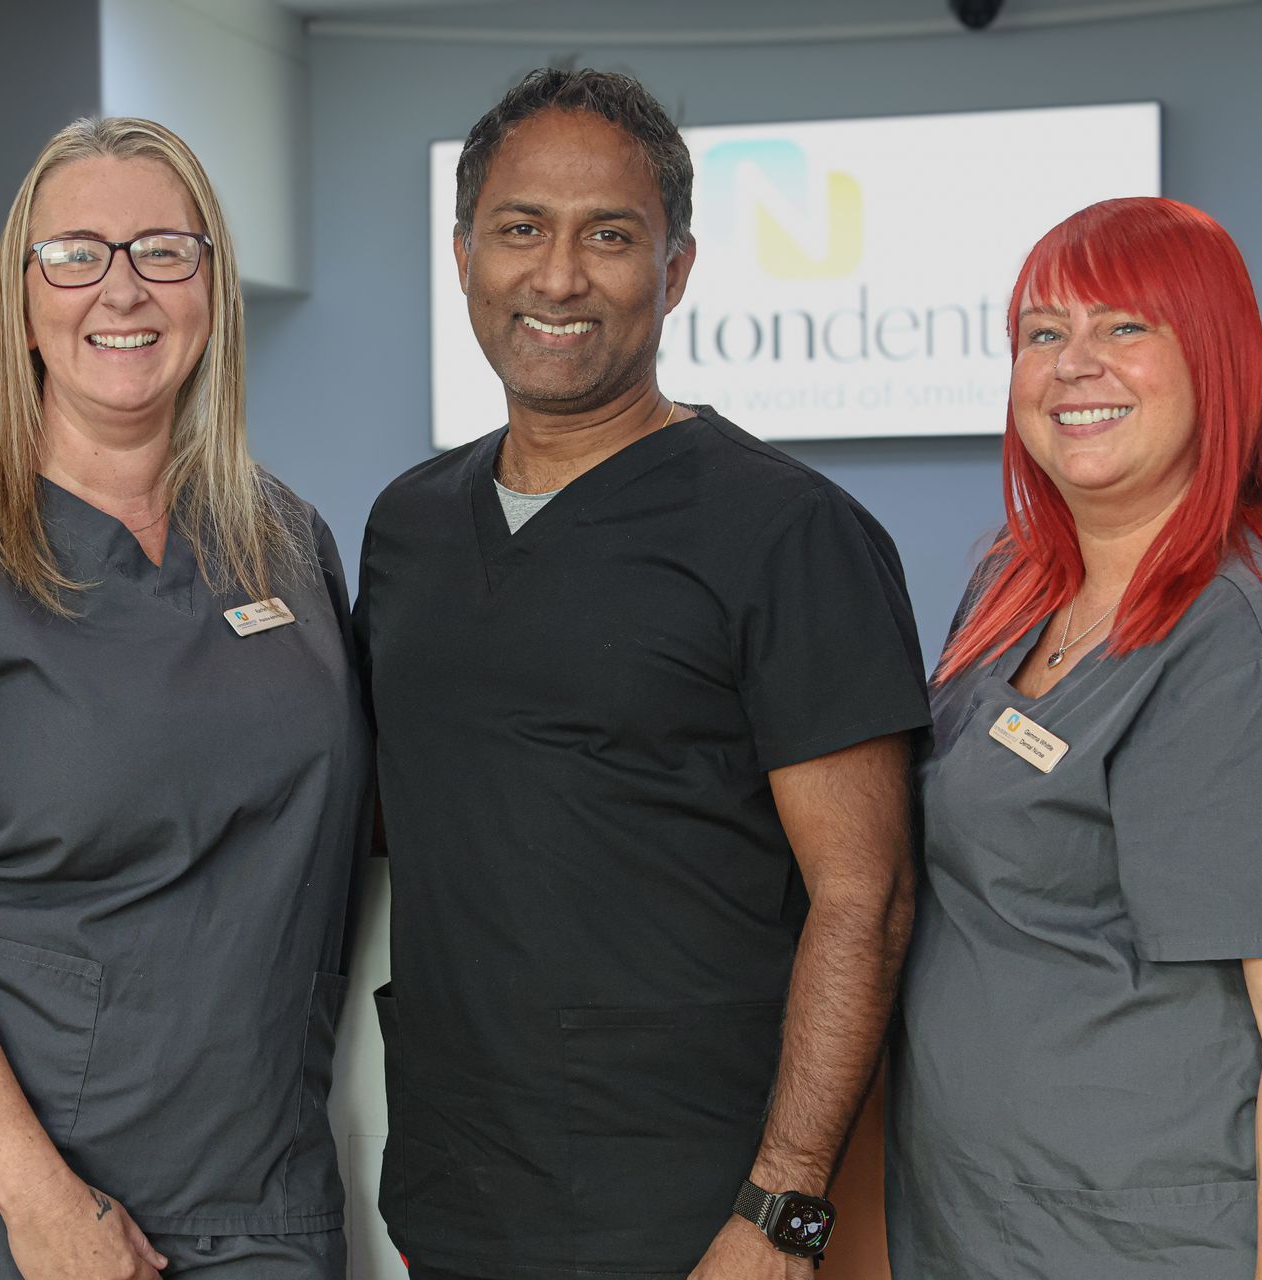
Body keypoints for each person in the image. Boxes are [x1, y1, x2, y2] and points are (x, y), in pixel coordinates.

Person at [354, 68, 931, 1280]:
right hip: (456, 1193)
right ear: (462, 254)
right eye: (521, 229)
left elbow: (864, 899)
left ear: (673, 270)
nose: (559, 276)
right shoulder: (408, 526)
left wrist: (784, 1212)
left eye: (609, 236)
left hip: (695, 1210)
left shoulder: (789, 534)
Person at [0, 116, 370, 1280]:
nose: (124, 288)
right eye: (76, 254)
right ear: (22, 298)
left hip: (257, 1191)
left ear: (212, 286)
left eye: (166, 248)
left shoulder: (289, 539)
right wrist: (36, 1190)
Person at [887, 196, 1262, 1279]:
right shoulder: (1009, 586)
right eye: (1044, 333)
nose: (1075, 363)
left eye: (1125, 327)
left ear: (1216, 357)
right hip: (974, 1218)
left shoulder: (1242, 634)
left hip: (1144, 1239)